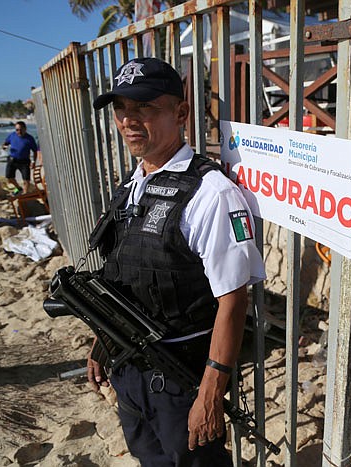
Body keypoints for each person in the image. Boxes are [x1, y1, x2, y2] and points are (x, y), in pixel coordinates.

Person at [87, 57, 265, 466]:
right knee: (148, 457)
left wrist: (210, 392)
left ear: (181, 113)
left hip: (179, 375)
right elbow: (126, 272)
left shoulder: (211, 194)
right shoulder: (133, 185)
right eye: (121, 109)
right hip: (128, 367)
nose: (129, 120)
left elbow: (233, 300)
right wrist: (102, 340)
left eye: (145, 107)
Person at [2, 121, 38, 194]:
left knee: (26, 180)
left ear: (25, 129)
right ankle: (18, 188)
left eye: (21, 129)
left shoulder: (30, 138)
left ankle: (25, 195)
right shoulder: (12, 135)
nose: (19, 131)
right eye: (17, 130)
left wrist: (34, 162)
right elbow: (5, 143)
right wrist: (4, 146)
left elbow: (35, 151)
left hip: (24, 162)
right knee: (9, 178)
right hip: (12, 160)